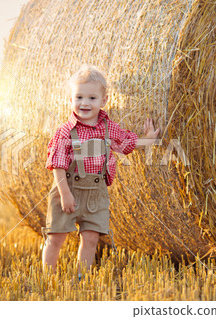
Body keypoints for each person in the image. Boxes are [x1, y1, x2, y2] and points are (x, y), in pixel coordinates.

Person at [42, 65, 160, 275]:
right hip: (67, 190)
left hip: (96, 193)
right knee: (56, 237)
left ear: (104, 101)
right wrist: (65, 195)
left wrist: (149, 139)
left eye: (92, 98)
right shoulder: (64, 132)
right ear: (71, 100)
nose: (84, 103)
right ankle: (45, 278)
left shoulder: (109, 128)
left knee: (91, 237)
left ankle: (81, 277)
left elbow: (126, 143)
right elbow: (58, 166)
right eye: (78, 97)